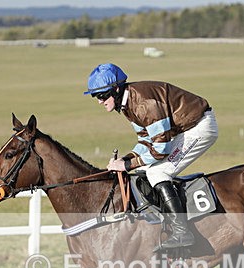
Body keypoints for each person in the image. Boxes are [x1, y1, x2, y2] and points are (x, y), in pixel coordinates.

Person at [85, 63, 218, 251]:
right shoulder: (128, 103)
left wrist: (128, 165)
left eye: (101, 95)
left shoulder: (142, 104)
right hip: (184, 129)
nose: (99, 101)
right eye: (95, 96)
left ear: (115, 89)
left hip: (199, 128)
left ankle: (182, 232)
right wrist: (125, 160)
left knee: (157, 172)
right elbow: (146, 141)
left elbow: (161, 149)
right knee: (143, 169)